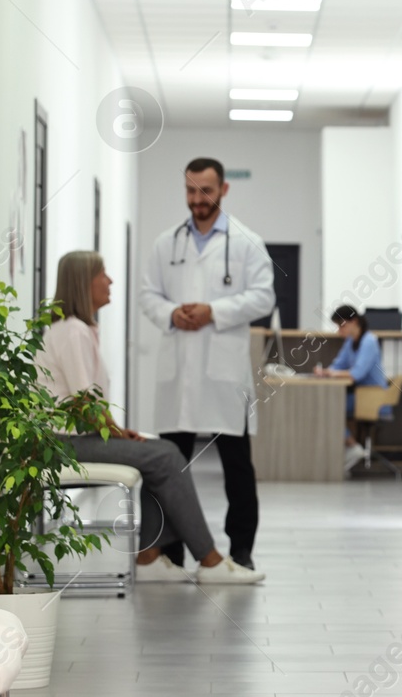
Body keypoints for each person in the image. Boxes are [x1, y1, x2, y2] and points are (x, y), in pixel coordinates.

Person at [35, 250, 263, 584]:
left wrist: (118, 431)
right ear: (85, 283)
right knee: (167, 454)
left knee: (161, 452)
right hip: (64, 443)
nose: (110, 281)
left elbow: (85, 403)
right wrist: (114, 432)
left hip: (76, 438)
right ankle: (210, 561)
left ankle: (150, 557)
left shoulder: (81, 329)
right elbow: (83, 404)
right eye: (103, 275)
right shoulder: (73, 332)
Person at [140, 157, 275, 570]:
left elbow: (264, 297)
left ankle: (241, 550)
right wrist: (171, 314)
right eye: (190, 190)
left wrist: (213, 311)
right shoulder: (167, 243)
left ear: (223, 190)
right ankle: (171, 550)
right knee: (168, 466)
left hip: (222, 371)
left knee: (236, 465)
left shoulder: (247, 242)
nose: (197, 200)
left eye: (206, 191)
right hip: (178, 369)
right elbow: (148, 294)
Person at [313, 304, 388, 470]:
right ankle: (349, 448)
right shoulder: (350, 343)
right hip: (360, 396)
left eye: (342, 325)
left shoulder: (369, 341)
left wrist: (331, 374)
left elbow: (357, 373)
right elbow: (338, 365)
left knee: (330, 406)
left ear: (354, 322)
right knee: (327, 404)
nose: (340, 331)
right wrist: (325, 371)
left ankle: (352, 447)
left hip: (373, 398)